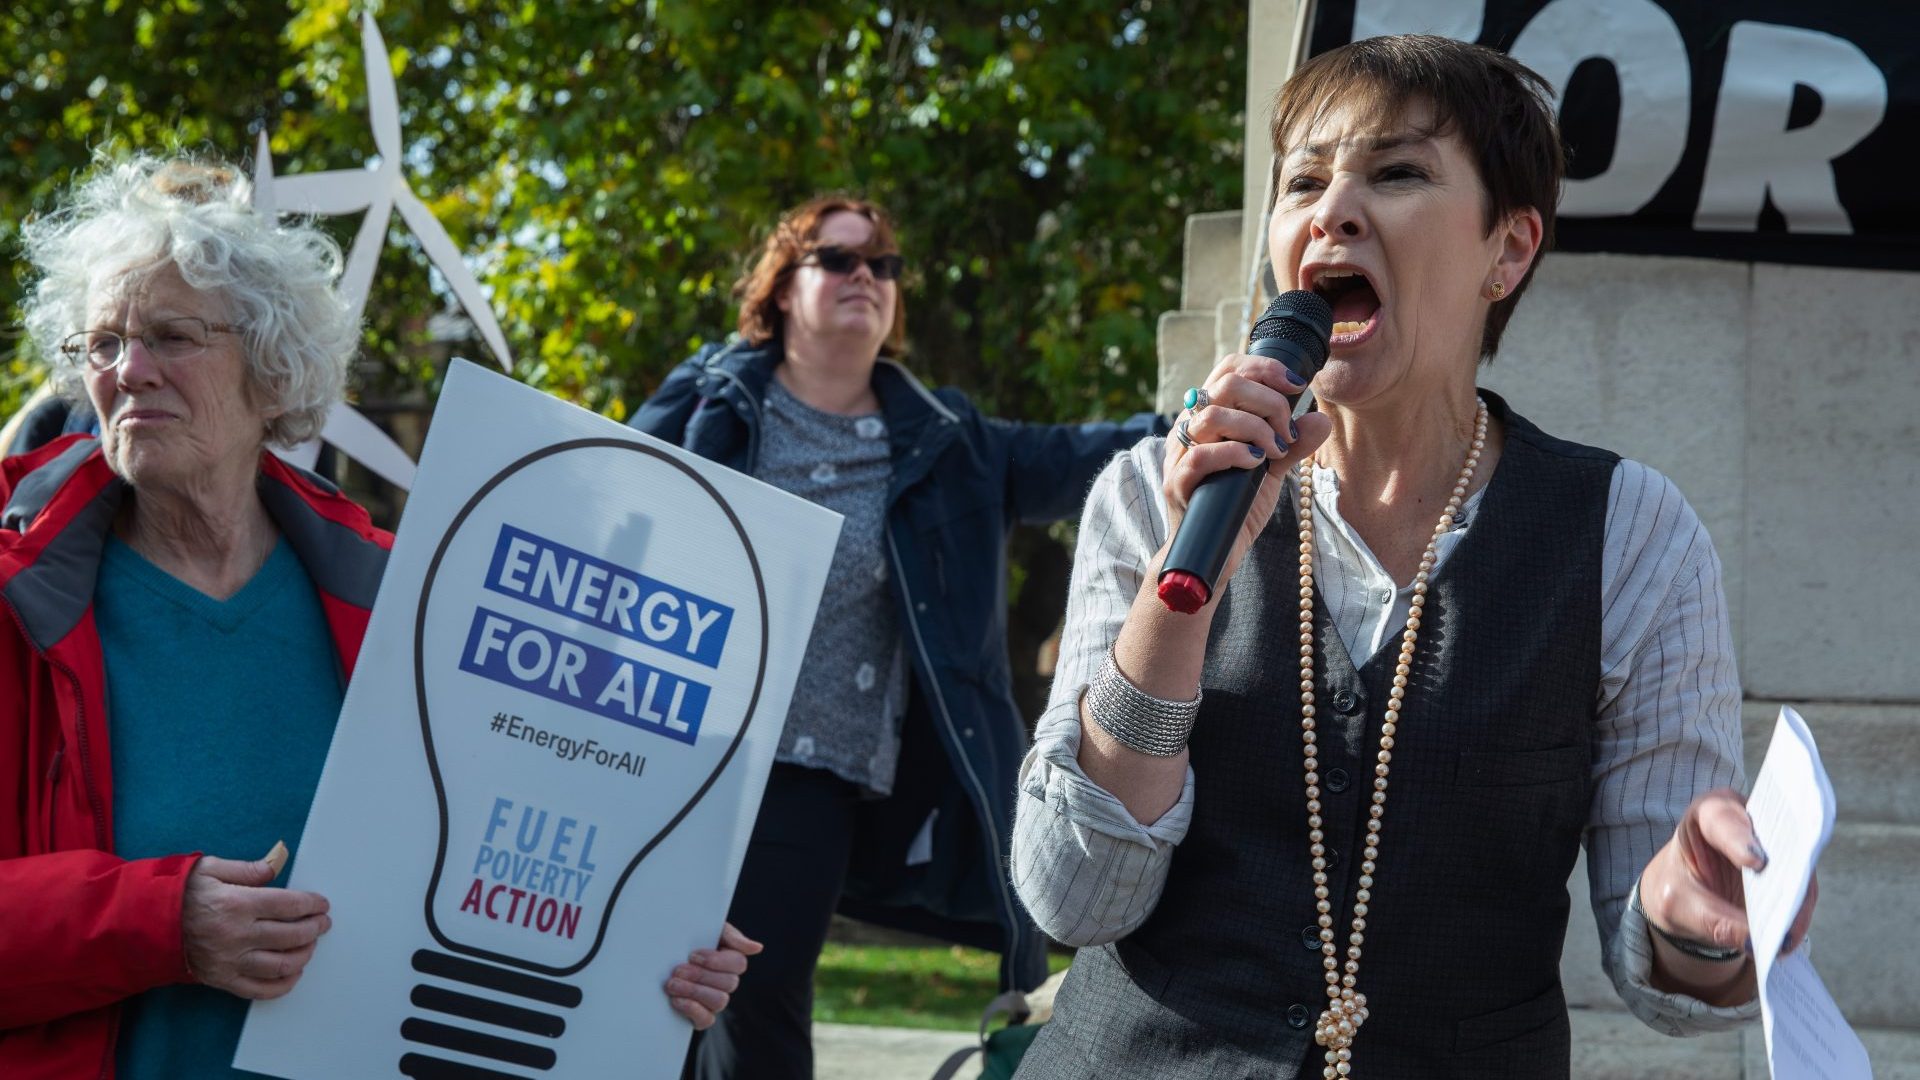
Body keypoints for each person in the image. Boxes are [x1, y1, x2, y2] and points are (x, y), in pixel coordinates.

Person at [1010, 35, 1818, 1079]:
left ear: (1509, 251)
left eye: (1396, 173)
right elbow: (1075, 896)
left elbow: (1677, 980)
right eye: (1304, 179)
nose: (1331, 211)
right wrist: (1183, 590)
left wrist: (1695, 921)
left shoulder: (1632, 534)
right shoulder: (1144, 495)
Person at [0, 153, 755, 1079]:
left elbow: (516, 868)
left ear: (271, 372)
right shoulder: (18, 605)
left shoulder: (413, 598)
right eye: (102, 344)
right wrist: (159, 924)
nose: (129, 371)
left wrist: (653, 944)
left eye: (172, 335)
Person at [631, 195, 1166, 1079]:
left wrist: (1208, 415)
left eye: (882, 266)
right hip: (678, 748)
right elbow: (610, 497)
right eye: (838, 261)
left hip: (812, 776)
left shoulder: (948, 441)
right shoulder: (710, 403)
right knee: (643, 995)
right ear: (777, 290)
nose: (866, 279)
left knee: (752, 1013)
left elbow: (1083, 454)